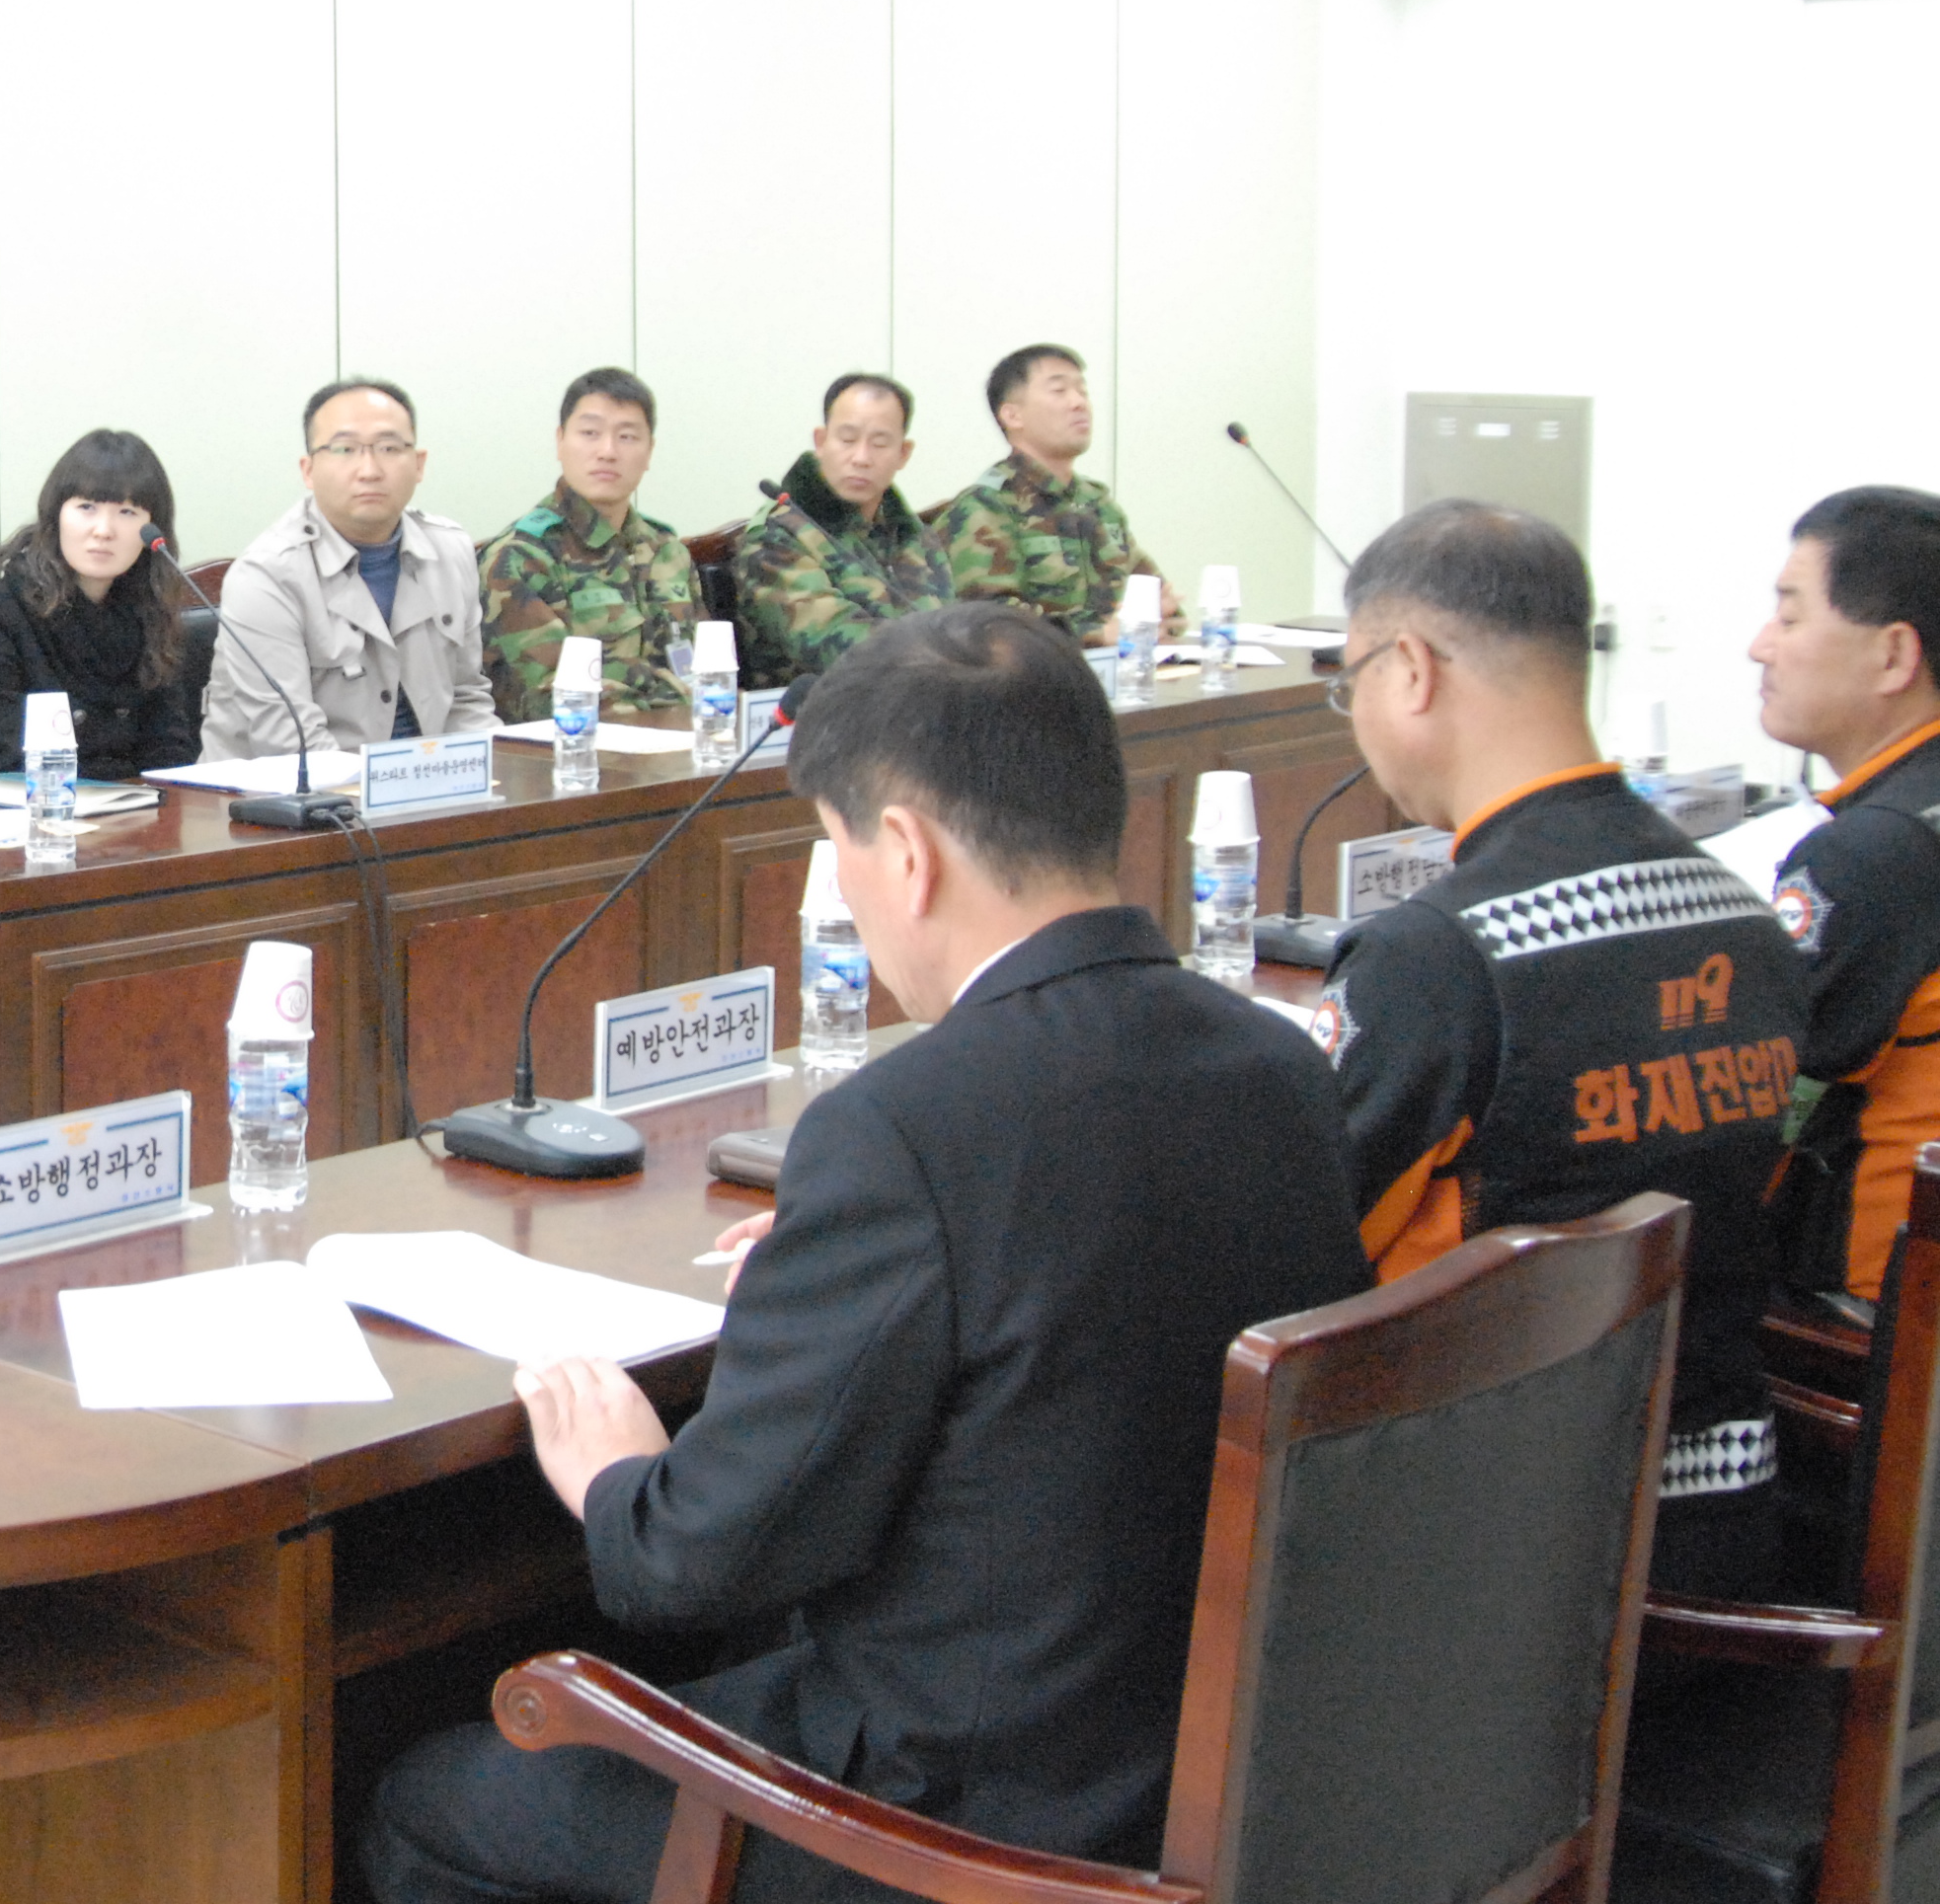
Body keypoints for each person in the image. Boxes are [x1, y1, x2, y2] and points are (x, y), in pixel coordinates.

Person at [360, 604, 1367, 1904]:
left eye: (834, 850)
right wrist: (855, 1266)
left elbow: (688, 1565)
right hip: (1218, 1768)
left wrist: (612, 1476)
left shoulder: (905, 1131)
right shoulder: (1277, 1065)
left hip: (963, 1822)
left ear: (905, 853)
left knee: (426, 1800)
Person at [1313, 498, 1795, 1595]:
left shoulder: (1441, 958)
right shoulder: (1748, 920)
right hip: (1719, 1525)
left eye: (1351, 683)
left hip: (1490, 1562)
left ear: (1410, 670)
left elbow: (1304, 1244)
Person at [1752, 488, 1940, 1306]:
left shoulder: (1872, 855)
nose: (1760, 646)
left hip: (1870, 1317)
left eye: (1790, 616)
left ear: (1894, 656)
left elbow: (1760, 1083)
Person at [201, 377, 499, 759]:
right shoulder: (266, 576)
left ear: (419, 464)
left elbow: (467, 699)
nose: (369, 470)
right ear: (308, 470)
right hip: (279, 790)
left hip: (424, 784)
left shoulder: (450, 551)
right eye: (345, 449)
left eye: (389, 448)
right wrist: (394, 786)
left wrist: (485, 775)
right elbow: (291, 743)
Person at [0, 428, 207, 797]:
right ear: (56, 515)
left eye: (127, 512)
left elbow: (170, 754)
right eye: (86, 508)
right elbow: (1, 761)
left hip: (134, 815)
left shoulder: (150, 614)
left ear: (152, 530)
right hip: (15, 816)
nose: (104, 530)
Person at [481, 366, 706, 725]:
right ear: (560, 441)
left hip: (685, 742)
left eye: (627, 436)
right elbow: (558, 697)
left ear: (649, 451)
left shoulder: (668, 552)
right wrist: (683, 700)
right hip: (570, 751)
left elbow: (708, 668)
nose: (608, 451)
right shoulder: (522, 558)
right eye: (590, 433)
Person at [931, 343, 1179, 642]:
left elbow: (1159, 600)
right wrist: (1097, 635)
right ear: (1012, 415)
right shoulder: (987, 507)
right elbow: (990, 624)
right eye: (1059, 391)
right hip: (1036, 671)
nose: (1079, 403)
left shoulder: (1097, 504)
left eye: (1082, 391)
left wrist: (1162, 617)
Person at [730, 373, 947, 681]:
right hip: (823, 705)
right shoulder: (777, 536)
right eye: (847, 440)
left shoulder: (914, 535)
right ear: (821, 441)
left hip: (925, 696)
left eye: (880, 443)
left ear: (903, 454)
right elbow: (835, 642)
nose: (861, 458)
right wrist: (951, 660)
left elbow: (954, 623)